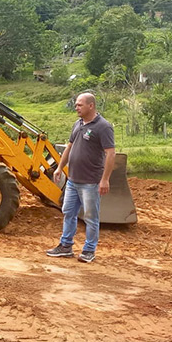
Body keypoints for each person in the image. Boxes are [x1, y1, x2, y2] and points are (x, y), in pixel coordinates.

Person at [46, 92, 116, 263]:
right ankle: (66, 246)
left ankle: (89, 250)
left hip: (91, 182)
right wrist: (60, 168)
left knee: (91, 217)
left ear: (91, 106)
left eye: (80, 104)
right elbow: (69, 147)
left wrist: (105, 179)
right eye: (76, 104)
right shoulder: (78, 124)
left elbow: (110, 154)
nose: (76, 107)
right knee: (68, 212)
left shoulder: (103, 127)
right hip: (73, 180)